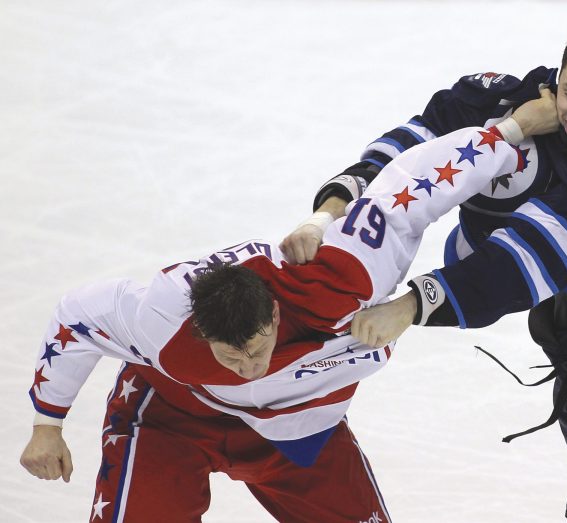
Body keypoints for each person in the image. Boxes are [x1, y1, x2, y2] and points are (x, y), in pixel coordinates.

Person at [282, 13, 567, 523]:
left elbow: (530, 255)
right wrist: (325, 216)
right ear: (559, 74)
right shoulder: (498, 98)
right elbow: (408, 157)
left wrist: (411, 304)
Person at [19, 121, 528, 522]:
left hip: (298, 429)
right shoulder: (162, 319)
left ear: (276, 311)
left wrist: (511, 131)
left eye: (257, 348)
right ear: (200, 332)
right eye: (229, 355)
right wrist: (47, 424)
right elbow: (76, 317)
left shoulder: (340, 278)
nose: (247, 368)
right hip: (172, 421)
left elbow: (413, 188)